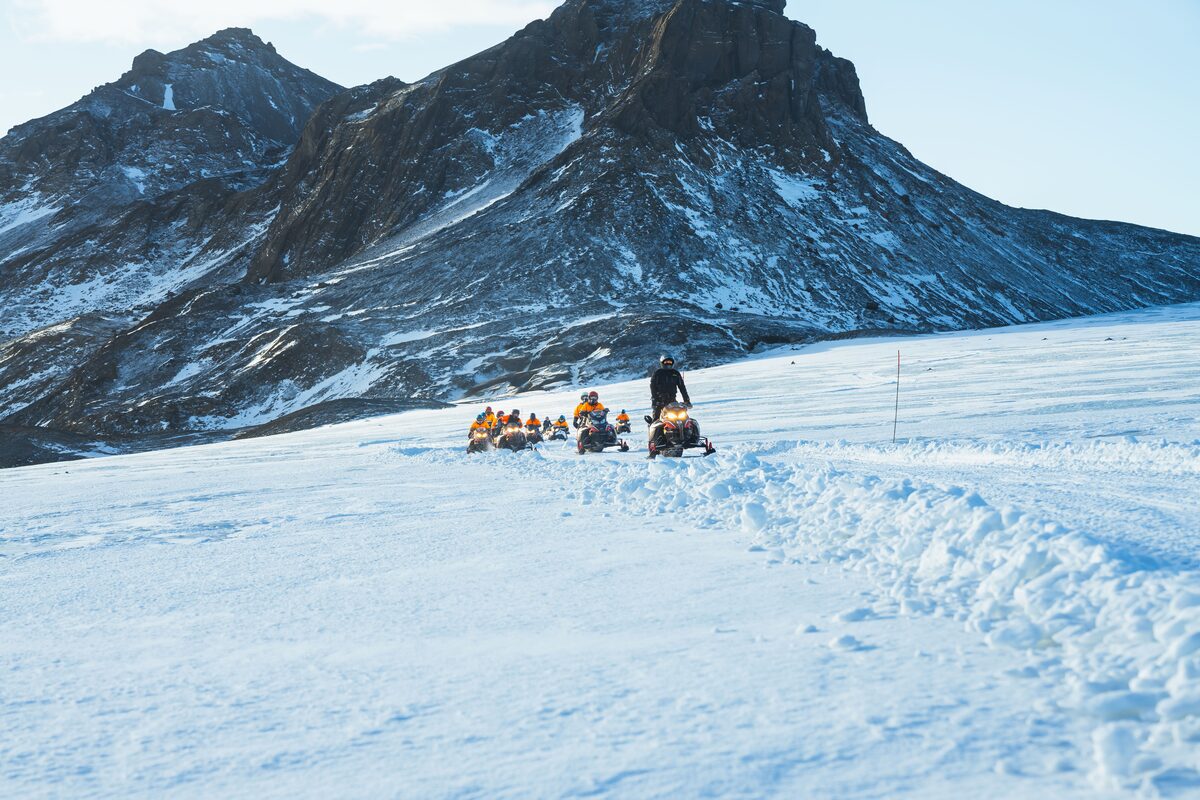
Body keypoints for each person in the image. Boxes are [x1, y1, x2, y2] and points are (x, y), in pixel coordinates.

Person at [649, 354, 690, 421]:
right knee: (656, 420)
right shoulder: (657, 373)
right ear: (662, 363)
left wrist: (687, 400)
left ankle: (691, 430)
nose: (668, 363)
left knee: (684, 418)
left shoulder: (676, 373)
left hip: (672, 401)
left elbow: (682, 387)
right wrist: (654, 400)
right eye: (666, 362)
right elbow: (653, 387)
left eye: (670, 362)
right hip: (659, 401)